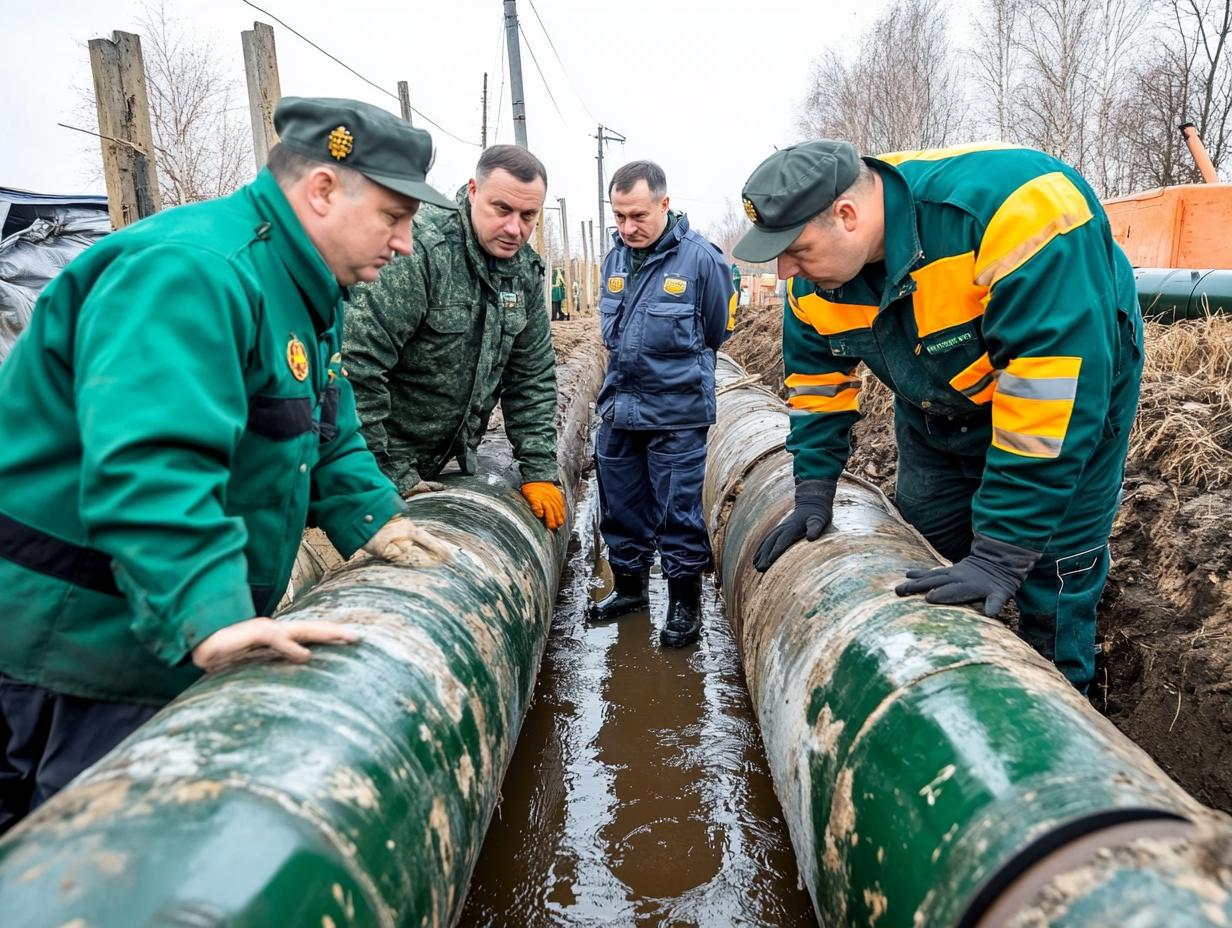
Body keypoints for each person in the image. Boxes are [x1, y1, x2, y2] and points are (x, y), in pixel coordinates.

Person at [0, 97, 456, 830]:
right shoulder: (194, 271)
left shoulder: (302, 287)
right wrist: (209, 613)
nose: (406, 241)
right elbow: (153, 459)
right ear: (323, 190)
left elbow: (322, 426)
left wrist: (375, 520)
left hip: (137, 630)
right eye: (394, 216)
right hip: (76, 645)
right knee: (75, 855)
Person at [735, 140, 1143, 693]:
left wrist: (1000, 554)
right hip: (937, 401)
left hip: (1068, 391)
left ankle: (1066, 689)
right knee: (926, 546)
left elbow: (1049, 399)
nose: (784, 272)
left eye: (795, 249)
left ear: (847, 216)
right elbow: (817, 383)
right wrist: (813, 487)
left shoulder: (1016, 212)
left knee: (1050, 566)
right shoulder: (817, 280)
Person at [344, 145, 564, 533]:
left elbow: (531, 376)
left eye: (528, 216)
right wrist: (388, 473)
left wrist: (539, 469)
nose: (515, 228)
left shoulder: (523, 272)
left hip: (434, 460)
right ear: (474, 191)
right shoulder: (421, 251)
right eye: (502, 209)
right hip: (361, 460)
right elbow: (355, 365)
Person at [588, 161, 737, 646]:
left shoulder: (702, 261)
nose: (628, 228)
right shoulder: (613, 260)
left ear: (664, 205)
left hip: (677, 413)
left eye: (638, 216)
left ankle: (683, 605)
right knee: (620, 507)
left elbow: (715, 332)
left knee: (678, 511)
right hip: (621, 407)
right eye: (619, 217)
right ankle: (630, 590)